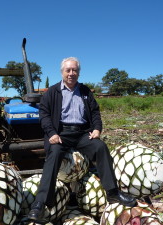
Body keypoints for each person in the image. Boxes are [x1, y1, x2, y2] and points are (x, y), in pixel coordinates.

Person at [28, 57, 137, 221]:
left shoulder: (85, 91)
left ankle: (112, 193)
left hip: (81, 134)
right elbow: (44, 115)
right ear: (62, 72)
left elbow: (95, 113)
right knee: (54, 154)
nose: (71, 73)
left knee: (100, 148)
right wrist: (52, 133)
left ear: (78, 72)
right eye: (68, 70)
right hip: (61, 133)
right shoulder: (52, 92)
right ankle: (40, 203)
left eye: (75, 70)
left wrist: (97, 129)